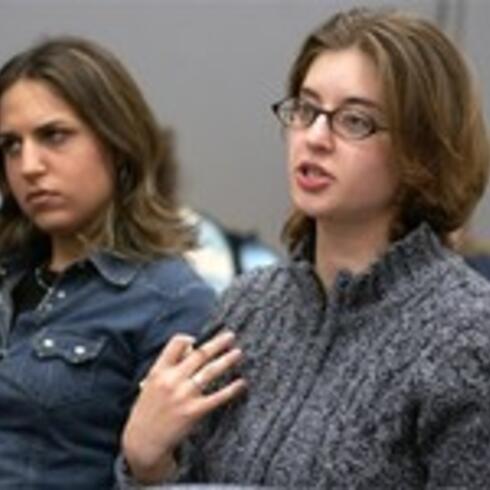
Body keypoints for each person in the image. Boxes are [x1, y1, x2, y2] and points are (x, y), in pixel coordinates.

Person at [119, 6, 490, 489]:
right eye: (306, 110)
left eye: (354, 120)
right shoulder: (248, 305)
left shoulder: (467, 336)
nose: (314, 138)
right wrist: (148, 465)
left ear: (421, 150)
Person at [0, 36, 217, 488]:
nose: (29, 165)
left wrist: (147, 467)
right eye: (11, 145)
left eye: (53, 136)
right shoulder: (11, 273)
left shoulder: (172, 301)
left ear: (116, 143)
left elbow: (184, 476)